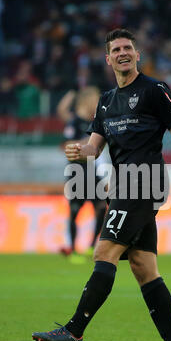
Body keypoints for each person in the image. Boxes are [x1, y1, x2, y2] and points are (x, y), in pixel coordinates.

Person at [32, 28, 171, 341]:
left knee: (103, 251)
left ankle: (74, 331)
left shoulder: (154, 90)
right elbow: (94, 147)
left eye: (127, 47)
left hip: (145, 183)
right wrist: (79, 151)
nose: (122, 52)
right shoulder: (106, 102)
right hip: (125, 184)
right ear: (108, 59)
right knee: (143, 266)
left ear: (137, 55)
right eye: (116, 49)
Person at [57, 86, 107, 264]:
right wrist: (88, 143)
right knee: (75, 210)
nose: (97, 103)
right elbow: (67, 144)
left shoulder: (96, 122)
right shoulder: (75, 121)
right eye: (95, 99)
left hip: (92, 170)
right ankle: (72, 249)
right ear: (87, 101)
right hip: (77, 171)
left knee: (102, 207)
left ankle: (92, 246)